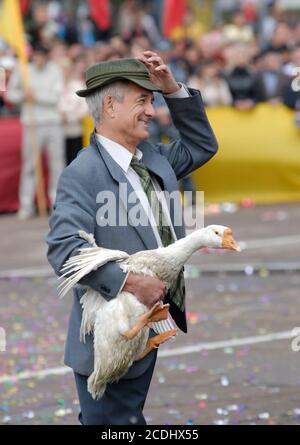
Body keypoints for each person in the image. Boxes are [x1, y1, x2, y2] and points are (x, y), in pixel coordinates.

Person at [46, 51, 218, 425]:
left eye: (153, 102)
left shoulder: (153, 158)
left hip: (148, 322)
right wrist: (130, 282)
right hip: (114, 332)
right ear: (110, 105)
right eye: (143, 100)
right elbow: (64, 249)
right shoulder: (83, 172)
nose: (152, 112)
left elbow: (203, 146)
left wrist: (173, 90)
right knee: (113, 422)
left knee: (121, 418)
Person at [6, 44, 65, 219]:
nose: (38, 60)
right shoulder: (24, 70)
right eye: (36, 56)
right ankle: (26, 205)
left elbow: (56, 97)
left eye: (41, 56)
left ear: (47, 57)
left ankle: (57, 203)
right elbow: (9, 94)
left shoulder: (55, 70)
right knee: (30, 165)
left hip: (53, 123)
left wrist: (36, 95)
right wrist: (23, 95)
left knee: (57, 164)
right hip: (32, 123)